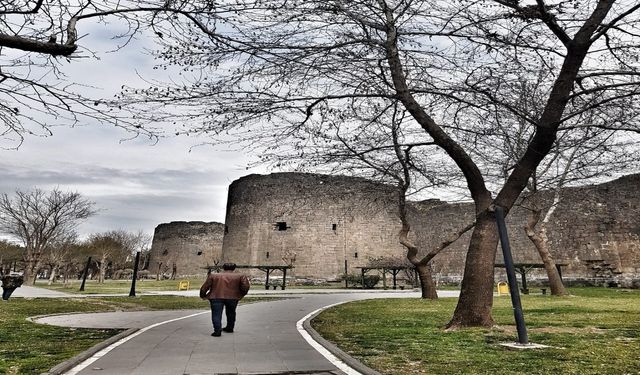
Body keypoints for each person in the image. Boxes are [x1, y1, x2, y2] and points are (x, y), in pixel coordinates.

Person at [199, 263, 250, 337]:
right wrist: (241, 294)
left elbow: (205, 287)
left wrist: (203, 295)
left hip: (216, 296)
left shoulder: (214, 275)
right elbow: (245, 286)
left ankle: (217, 331)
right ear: (234, 268)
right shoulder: (240, 276)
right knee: (231, 312)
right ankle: (230, 328)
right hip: (233, 297)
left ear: (223, 268)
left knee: (216, 314)